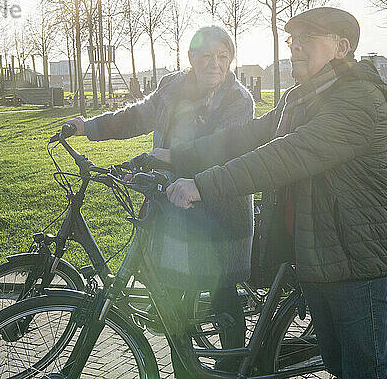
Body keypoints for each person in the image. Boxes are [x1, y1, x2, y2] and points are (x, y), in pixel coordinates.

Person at [159, 7, 387, 379]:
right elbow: (245, 136)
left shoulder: (359, 101)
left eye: (307, 39)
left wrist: (204, 185)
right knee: (337, 365)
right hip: (315, 253)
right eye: (293, 39)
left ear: (341, 47)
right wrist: (177, 155)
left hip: (353, 258)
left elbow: (284, 156)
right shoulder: (299, 98)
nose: (295, 47)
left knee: (365, 370)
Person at [65, 26, 255, 377]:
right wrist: (89, 127)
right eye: (207, 56)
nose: (215, 64)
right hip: (171, 207)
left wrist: (171, 157)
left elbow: (224, 147)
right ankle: (185, 368)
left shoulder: (238, 100)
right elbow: (136, 116)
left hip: (217, 211)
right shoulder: (172, 87)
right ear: (191, 59)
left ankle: (232, 367)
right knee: (172, 304)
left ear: (230, 60)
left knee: (221, 295)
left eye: (223, 57)